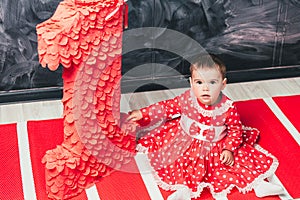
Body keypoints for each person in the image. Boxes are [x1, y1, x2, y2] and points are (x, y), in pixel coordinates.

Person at [126, 54, 284, 199]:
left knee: (237, 161)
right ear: (191, 83)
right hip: (185, 139)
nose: (205, 88)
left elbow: (235, 131)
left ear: (223, 84)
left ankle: (258, 184)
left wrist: (228, 148)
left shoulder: (227, 107)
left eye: (212, 82)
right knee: (184, 162)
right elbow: (167, 107)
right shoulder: (188, 99)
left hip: (216, 145)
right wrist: (144, 113)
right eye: (199, 82)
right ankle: (184, 188)